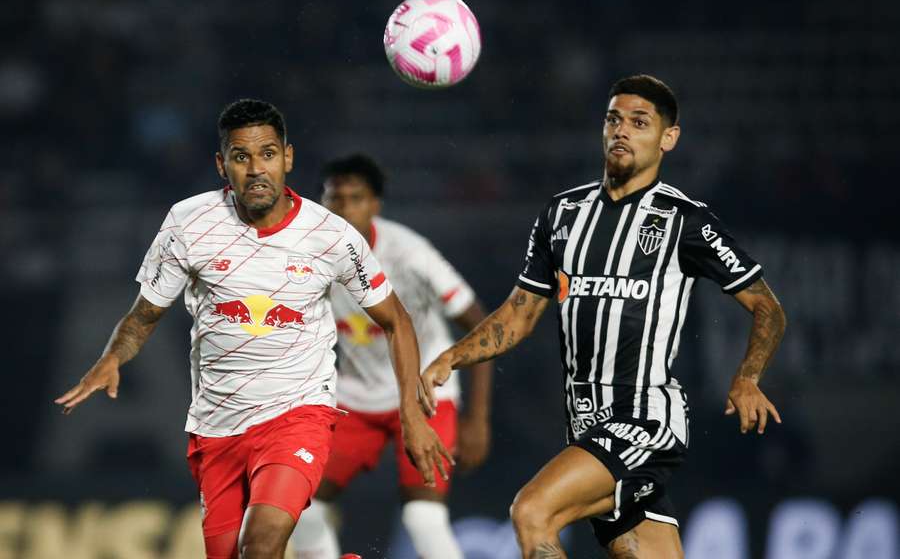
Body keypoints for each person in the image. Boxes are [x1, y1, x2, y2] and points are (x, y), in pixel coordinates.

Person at [55, 99, 451, 559]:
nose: (256, 169)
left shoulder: (331, 235)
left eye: (267, 154)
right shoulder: (188, 224)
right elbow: (145, 314)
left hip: (297, 416)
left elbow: (396, 320)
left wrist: (411, 414)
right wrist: (112, 356)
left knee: (260, 545)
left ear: (288, 157)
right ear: (223, 165)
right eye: (241, 157)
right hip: (216, 428)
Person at [421, 75, 786, 559]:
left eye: (639, 122)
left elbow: (768, 307)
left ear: (668, 138)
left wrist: (747, 378)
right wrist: (452, 356)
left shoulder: (684, 220)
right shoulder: (562, 214)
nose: (622, 131)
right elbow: (519, 314)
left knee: (532, 511)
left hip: (644, 421)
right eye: (614, 119)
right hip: (586, 428)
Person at [291, 154, 492, 559]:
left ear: (376, 205)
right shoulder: (306, 259)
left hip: (425, 395)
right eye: (335, 198)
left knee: (423, 520)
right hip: (354, 398)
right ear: (321, 204)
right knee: (299, 506)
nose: (345, 208)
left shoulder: (409, 253)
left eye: (356, 198)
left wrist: (478, 418)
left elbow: (481, 325)